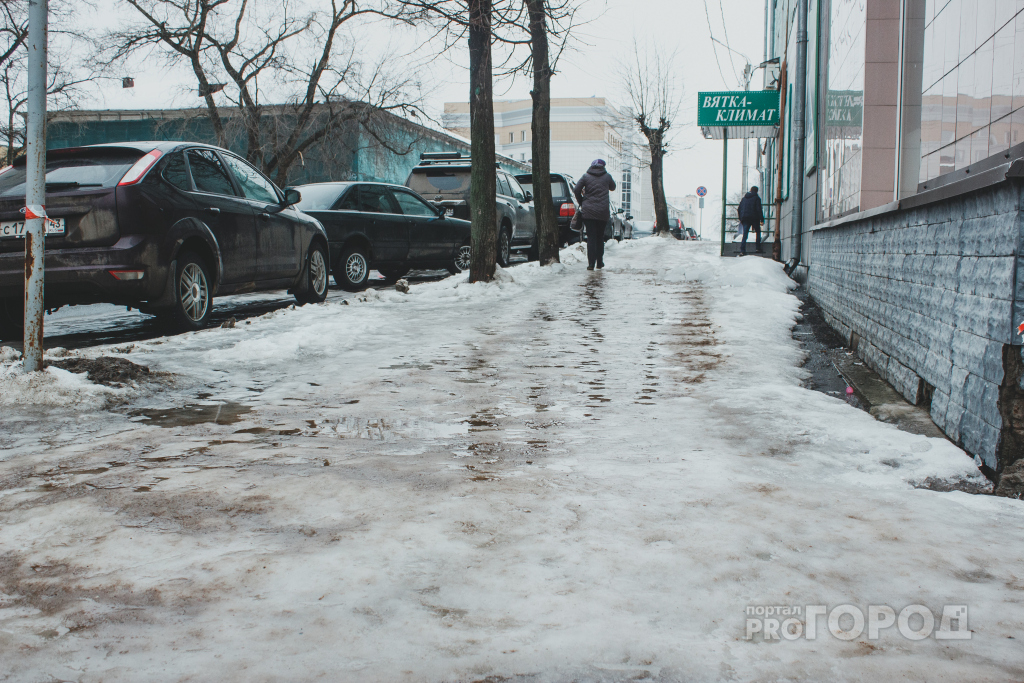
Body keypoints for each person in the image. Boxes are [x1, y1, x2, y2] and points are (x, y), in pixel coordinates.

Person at [574, 159, 617, 270]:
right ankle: (599, 262)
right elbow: (613, 187)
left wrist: (582, 202)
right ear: (603, 167)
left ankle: (591, 264)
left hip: (588, 212)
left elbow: (576, 189)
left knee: (591, 237)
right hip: (602, 212)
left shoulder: (585, 176)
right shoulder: (607, 176)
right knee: (600, 237)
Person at [736, 186, 765, 255]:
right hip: (754, 218)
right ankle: (757, 248)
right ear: (756, 191)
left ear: (750, 190)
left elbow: (739, 209)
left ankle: (742, 250)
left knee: (745, 234)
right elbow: (759, 209)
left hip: (745, 218)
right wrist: (761, 219)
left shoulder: (744, 199)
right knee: (758, 232)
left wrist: (741, 218)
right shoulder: (757, 198)